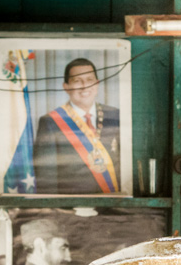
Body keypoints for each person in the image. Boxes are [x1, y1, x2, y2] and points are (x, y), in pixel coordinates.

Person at [33, 58, 121, 194]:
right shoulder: (51, 122)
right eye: (77, 81)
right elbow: (47, 179)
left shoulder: (115, 115)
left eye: (89, 80)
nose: (84, 86)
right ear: (66, 87)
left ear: (97, 84)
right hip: (72, 204)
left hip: (114, 201)